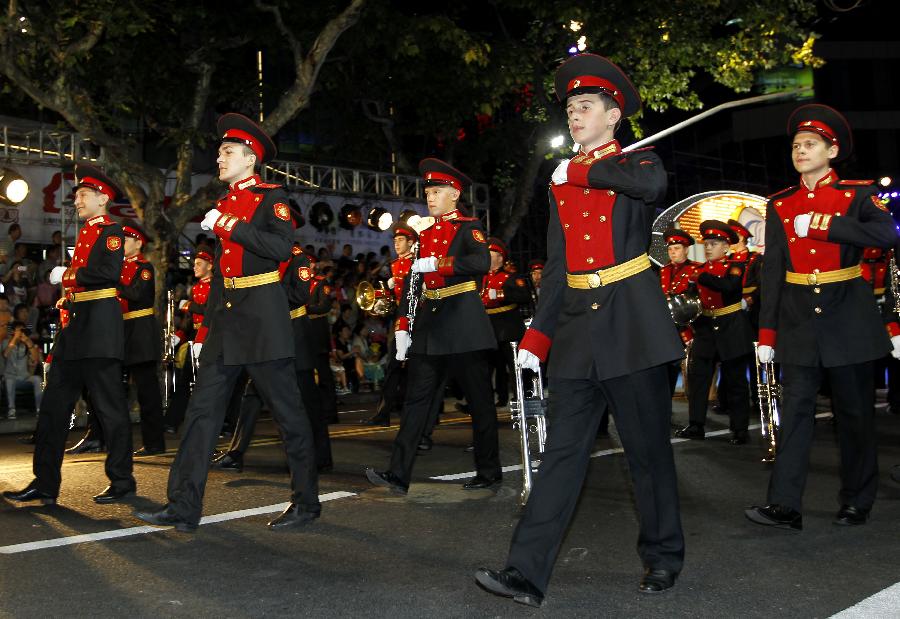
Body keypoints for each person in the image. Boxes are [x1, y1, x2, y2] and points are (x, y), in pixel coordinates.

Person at [475, 54, 685, 606]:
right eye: (569, 108)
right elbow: (558, 263)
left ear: (613, 116)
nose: (574, 115)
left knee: (646, 453)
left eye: (585, 106)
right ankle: (525, 573)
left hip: (631, 325)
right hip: (577, 331)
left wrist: (583, 169)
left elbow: (653, 186)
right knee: (563, 454)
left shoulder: (638, 163)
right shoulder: (559, 182)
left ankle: (663, 557)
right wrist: (537, 338)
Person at [134, 113, 319, 531]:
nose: (219, 157)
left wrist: (231, 227)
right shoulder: (225, 202)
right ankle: (183, 505)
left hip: (263, 319)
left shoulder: (273, 198)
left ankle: (306, 501)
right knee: (201, 414)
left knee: (288, 415)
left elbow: (279, 248)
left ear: (250, 158)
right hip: (227, 321)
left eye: (227, 151)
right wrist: (204, 331)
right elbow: (223, 274)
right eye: (219, 151)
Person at [746, 104, 899, 530]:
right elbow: (773, 271)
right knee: (794, 412)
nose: (801, 150)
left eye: (810, 144)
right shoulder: (780, 203)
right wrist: (767, 333)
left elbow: (888, 235)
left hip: (847, 313)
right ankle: (784, 505)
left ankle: (856, 500)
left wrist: (825, 226)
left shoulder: (857, 195)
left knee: (854, 415)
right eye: (796, 145)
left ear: (832, 151)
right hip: (797, 319)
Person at [365, 158, 501, 493]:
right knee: (415, 401)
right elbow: (414, 283)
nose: (430, 197)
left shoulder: (470, 227)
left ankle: (489, 471)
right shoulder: (425, 234)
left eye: (437, 191)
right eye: (428, 192)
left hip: (464, 322)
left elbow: (482, 262)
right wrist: (402, 325)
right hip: (431, 322)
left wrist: (441, 263)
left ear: (454, 194)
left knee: (480, 402)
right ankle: (398, 474)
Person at [3, 164, 134, 505]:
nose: (77, 201)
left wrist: (71, 277)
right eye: (76, 196)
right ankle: (44, 482)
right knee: (53, 409)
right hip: (75, 329)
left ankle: (122, 481)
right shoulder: (88, 233)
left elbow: (109, 273)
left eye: (83, 195)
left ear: (103, 198)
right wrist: (70, 292)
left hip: (100, 331)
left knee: (110, 410)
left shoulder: (112, 231)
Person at [212, 240, 334, 473]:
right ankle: (236, 453)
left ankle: (320, 456)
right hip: (266, 335)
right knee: (252, 394)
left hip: (293, 332)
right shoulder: (263, 254)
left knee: (307, 399)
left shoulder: (298, 259)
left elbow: (300, 295)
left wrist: (266, 287)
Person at [674, 220, 753, 444]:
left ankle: (740, 429)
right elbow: (691, 299)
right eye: (706, 243)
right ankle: (696, 424)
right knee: (699, 381)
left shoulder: (734, 266)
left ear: (726, 247)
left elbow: (730, 287)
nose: (708, 247)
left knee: (736, 382)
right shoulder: (698, 270)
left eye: (715, 243)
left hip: (731, 327)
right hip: (706, 329)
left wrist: (701, 278)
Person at [114, 221, 166, 455]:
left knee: (147, 391)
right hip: (123, 329)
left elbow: (135, 294)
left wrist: (112, 282)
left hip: (141, 331)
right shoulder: (121, 266)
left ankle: (154, 442)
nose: (122, 244)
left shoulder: (144, 268)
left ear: (138, 243)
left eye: (126, 240)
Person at [363, 224, 416, 426]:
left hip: (418, 320)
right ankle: (383, 413)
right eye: (395, 240)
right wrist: (381, 302)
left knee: (415, 369)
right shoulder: (395, 265)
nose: (396, 243)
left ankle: (421, 414)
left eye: (401, 240)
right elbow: (396, 299)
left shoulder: (418, 262)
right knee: (393, 367)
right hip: (400, 321)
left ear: (411, 243)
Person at [165, 250, 213, 432]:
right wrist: (179, 335)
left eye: (199, 264)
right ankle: (172, 421)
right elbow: (189, 320)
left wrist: (189, 305)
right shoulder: (196, 288)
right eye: (194, 264)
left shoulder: (215, 286)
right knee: (184, 381)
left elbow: (209, 312)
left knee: (206, 384)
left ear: (210, 266)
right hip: (194, 338)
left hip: (209, 337)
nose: (195, 267)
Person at [481, 237, 529, 407]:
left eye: (490, 253)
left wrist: (502, 295)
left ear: (500, 257)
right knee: (492, 367)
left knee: (514, 366)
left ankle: (522, 399)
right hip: (489, 328)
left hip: (508, 328)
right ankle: (495, 400)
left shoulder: (510, 277)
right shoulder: (482, 278)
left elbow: (524, 296)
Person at [658, 226, 701, 395]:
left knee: (691, 371)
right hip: (665, 329)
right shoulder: (663, 270)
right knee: (666, 373)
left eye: (676, 248)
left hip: (688, 327)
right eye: (670, 249)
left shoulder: (696, 269)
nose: (672, 252)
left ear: (686, 249)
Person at [3, 321, 43, 419]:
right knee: (9, 380)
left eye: (23, 330)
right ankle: (11, 409)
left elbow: (35, 359)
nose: (21, 332)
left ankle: (40, 409)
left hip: (24, 378)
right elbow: (6, 354)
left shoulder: (27, 343)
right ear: (13, 331)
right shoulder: (6, 342)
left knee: (37, 379)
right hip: (10, 377)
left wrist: (28, 342)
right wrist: (15, 338)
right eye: (19, 330)